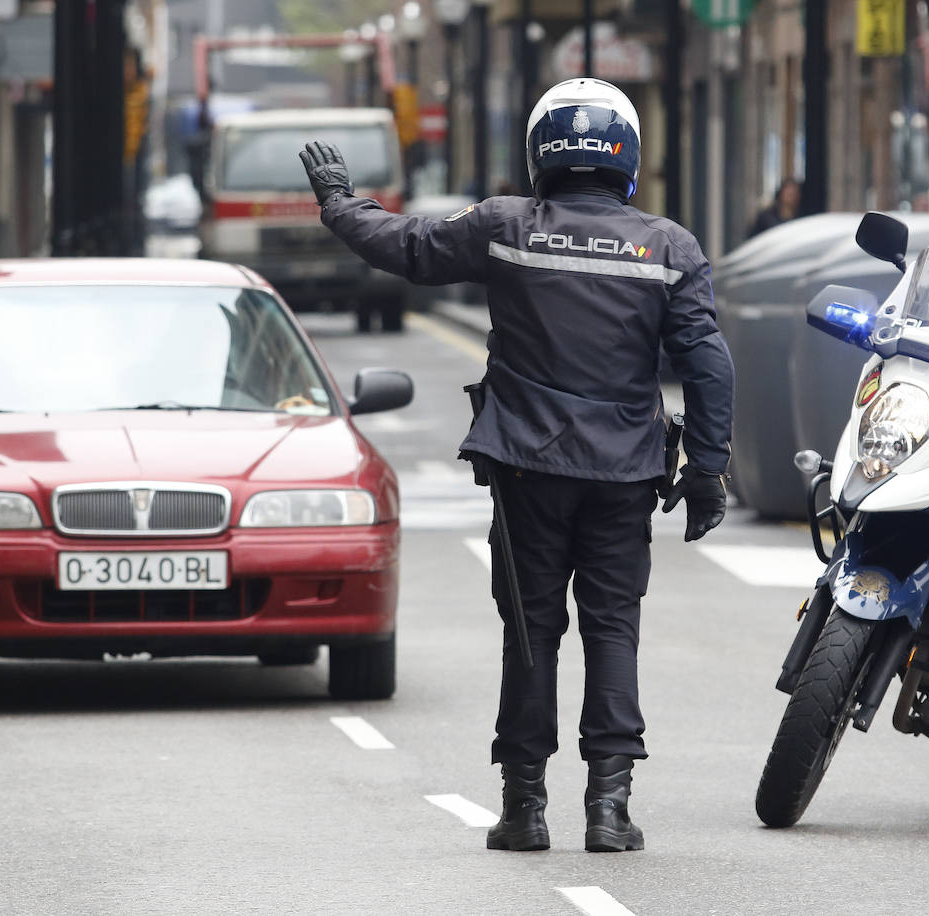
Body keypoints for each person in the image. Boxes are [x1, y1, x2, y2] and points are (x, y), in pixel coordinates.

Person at [300, 78, 734, 853]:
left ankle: (524, 810)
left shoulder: (507, 225)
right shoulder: (670, 246)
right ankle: (609, 810)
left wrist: (339, 202)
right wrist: (706, 468)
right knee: (613, 632)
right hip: (625, 474)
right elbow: (707, 363)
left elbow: (405, 247)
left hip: (527, 473)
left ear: (542, 152)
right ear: (625, 155)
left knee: (531, 632)